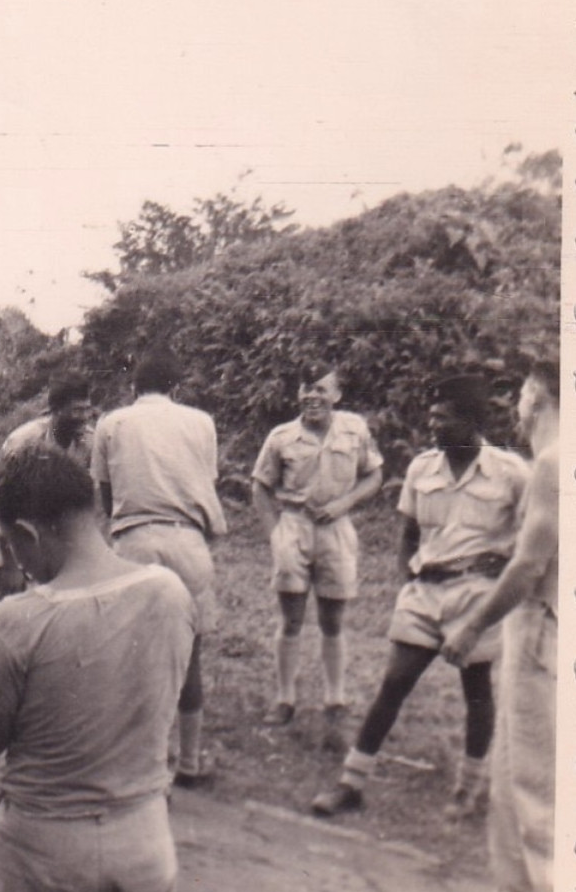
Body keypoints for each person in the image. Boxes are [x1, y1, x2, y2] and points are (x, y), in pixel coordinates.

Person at [0, 445, 195, 892]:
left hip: (40, 847)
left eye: (10, 544)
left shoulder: (20, 619)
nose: (17, 562)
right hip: (142, 838)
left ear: (26, 534)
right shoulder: (169, 594)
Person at [311, 375, 531, 821]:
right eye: (431, 416)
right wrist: (405, 582)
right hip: (424, 591)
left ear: (471, 422)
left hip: (477, 595)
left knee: (476, 691)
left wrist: (503, 565)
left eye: (443, 418)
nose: (433, 425)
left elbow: (534, 539)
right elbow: (409, 534)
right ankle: (351, 783)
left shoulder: (511, 473)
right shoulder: (421, 468)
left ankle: (468, 791)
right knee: (394, 682)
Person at [440, 361, 559, 892]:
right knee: (512, 764)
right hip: (537, 627)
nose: (516, 405)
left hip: (545, 627)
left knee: (539, 786)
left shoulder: (551, 462)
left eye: (521, 394)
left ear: (538, 397)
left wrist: (471, 625)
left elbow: (526, 567)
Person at [91, 349, 227, 787]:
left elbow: (105, 496)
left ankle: (133, 759)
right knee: (189, 657)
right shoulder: (201, 422)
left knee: (130, 653)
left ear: (134, 388)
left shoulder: (112, 423)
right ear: (177, 388)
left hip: (134, 541)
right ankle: (188, 760)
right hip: (188, 540)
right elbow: (206, 482)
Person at [251, 363, 383, 747]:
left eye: (322, 390)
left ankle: (335, 698)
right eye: (307, 389)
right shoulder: (282, 436)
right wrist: (275, 534)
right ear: (298, 394)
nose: (313, 397)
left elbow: (374, 476)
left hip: (336, 531)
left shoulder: (354, 429)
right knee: (291, 617)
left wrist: (345, 503)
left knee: (333, 618)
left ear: (337, 396)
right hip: (293, 526)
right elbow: (260, 487)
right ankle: (284, 698)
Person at [0, 371, 94, 597]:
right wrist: (9, 563)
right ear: (56, 410)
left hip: (50, 533)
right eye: (77, 410)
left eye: (88, 409)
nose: (85, 416)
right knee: (15, 601)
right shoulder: (24, 441)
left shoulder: (89, 442)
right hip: (8, 530)